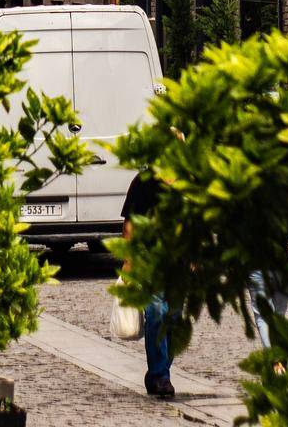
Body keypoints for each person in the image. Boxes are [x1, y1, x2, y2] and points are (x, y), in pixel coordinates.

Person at [121, 168, 178, 400]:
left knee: (174, 317)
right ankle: (161, 374)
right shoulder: (143, 181)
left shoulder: (188, 179)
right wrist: (128, 259)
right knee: (156, 311)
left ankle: (158, 370)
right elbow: (130, 224)